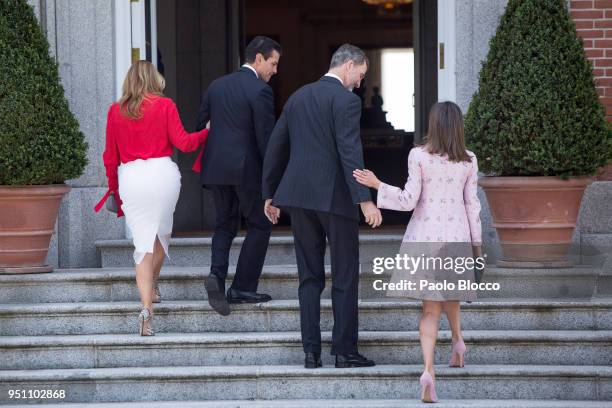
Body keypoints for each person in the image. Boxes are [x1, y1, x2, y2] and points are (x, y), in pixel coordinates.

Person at [353, 101, 483, 403]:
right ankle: (458, 343)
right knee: (450, 294)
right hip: (456, 238)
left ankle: (428, 370)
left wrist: (377, 185)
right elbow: (472, 206)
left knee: (429, 308)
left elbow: (409, 200)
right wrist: (477, 247)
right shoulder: (469, 160)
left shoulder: (418, 155)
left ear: (433, 124)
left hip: (424, 238)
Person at [262, 44, 382, 369]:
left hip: (299, 198)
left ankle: (311, 352)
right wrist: (365, 200)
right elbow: (349, 152)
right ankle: (344, 351)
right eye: (360, 74)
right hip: (335, 199)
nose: (359, 82)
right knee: (344, 275)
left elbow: (277, 144)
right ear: (348, 65)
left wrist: (269, 193)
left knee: (309, 277)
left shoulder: (298, 97)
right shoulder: (346, 101)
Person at [95, 60, 208, 336]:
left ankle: (147, 311)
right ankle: (153, 283)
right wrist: (207, 132)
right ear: (153, 79)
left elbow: (110, 158)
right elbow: (184, 143)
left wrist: (114, 190)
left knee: (142, 245)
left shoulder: (115, 111)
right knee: (160, 236)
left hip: (131, 178)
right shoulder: (165, 105)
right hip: (162, 175)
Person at [194, 36, 282, 316]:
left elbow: (201, 126)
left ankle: (216, 278)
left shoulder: (216, 86)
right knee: (260, 224)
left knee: (225, 225)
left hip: (217, 169)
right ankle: (242, 287)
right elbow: (265, 140)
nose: (275, 71)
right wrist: (272, 183)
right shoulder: (260, 91)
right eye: (273, 63)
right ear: (258, 58)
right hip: (247, 171)